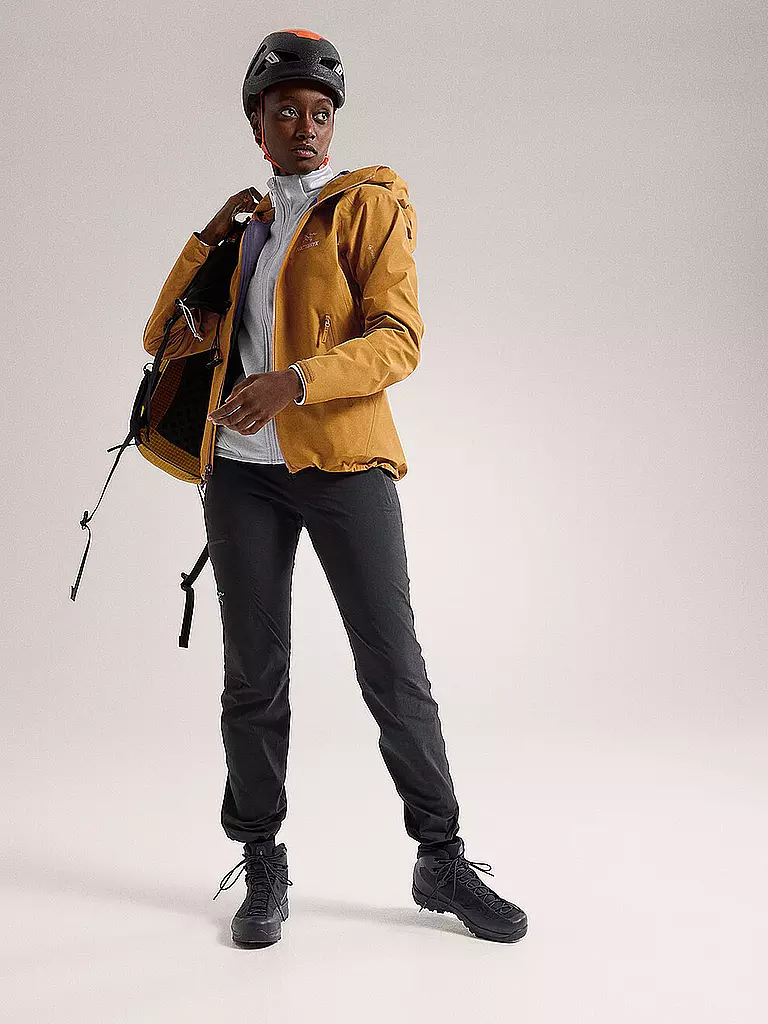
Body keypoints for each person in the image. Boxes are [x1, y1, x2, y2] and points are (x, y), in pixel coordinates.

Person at [144, 28, 527, 948]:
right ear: (258, 128)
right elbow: (160, 337)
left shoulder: (369, 207)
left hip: (346, 467)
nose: (307, 126)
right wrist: (210, 245)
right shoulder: (244, 228)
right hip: (241, 478)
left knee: (392, 666)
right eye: (286, 112)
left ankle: (441, 858)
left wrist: (296, 382)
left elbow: (399, 339)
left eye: (321, 112)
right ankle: (261, 858)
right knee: (253, 677)